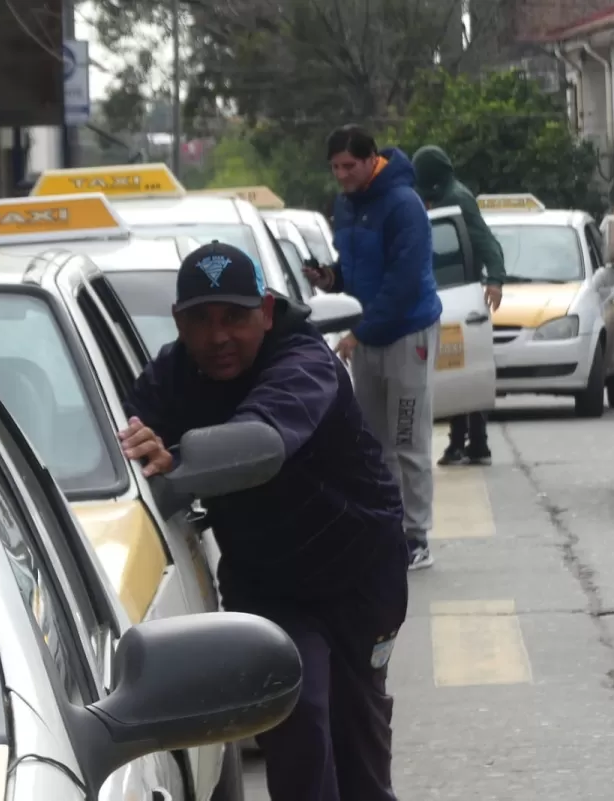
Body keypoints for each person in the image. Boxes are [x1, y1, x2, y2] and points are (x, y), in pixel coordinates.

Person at [120, 241, 408, 801]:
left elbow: (260, 442)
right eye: (201, 320)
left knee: (360, 750)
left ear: (267, 312)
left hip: (359, 574)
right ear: (179, 322)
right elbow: (125, 443)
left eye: (234, 317)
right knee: (297, 723)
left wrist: (174, 462)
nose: (218, 336)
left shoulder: (304, 362)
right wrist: (142, 449)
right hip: (268, 583)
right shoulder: (171, 376)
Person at [303, 125, 442, 572]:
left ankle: (417, 536)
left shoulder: (404, 205)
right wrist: (330, 279)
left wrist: (358, 334)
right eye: (334, 167)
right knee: (374, 442)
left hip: (406, 333)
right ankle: (387, 527)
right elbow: (354, 269)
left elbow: (403, 282)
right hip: (366, 333)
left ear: (371, 160)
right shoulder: (347, 205)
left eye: (348, 166)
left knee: (407, 439)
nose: (341, 175)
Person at [412, 144, 506, 467]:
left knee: (460, 369)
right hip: (452, 295)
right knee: (457, 371)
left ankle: (471, 442)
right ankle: (468, 443)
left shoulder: (456, 199)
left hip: (459, 294)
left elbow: (486, 241)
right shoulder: (444, 195)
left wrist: (495, 278)